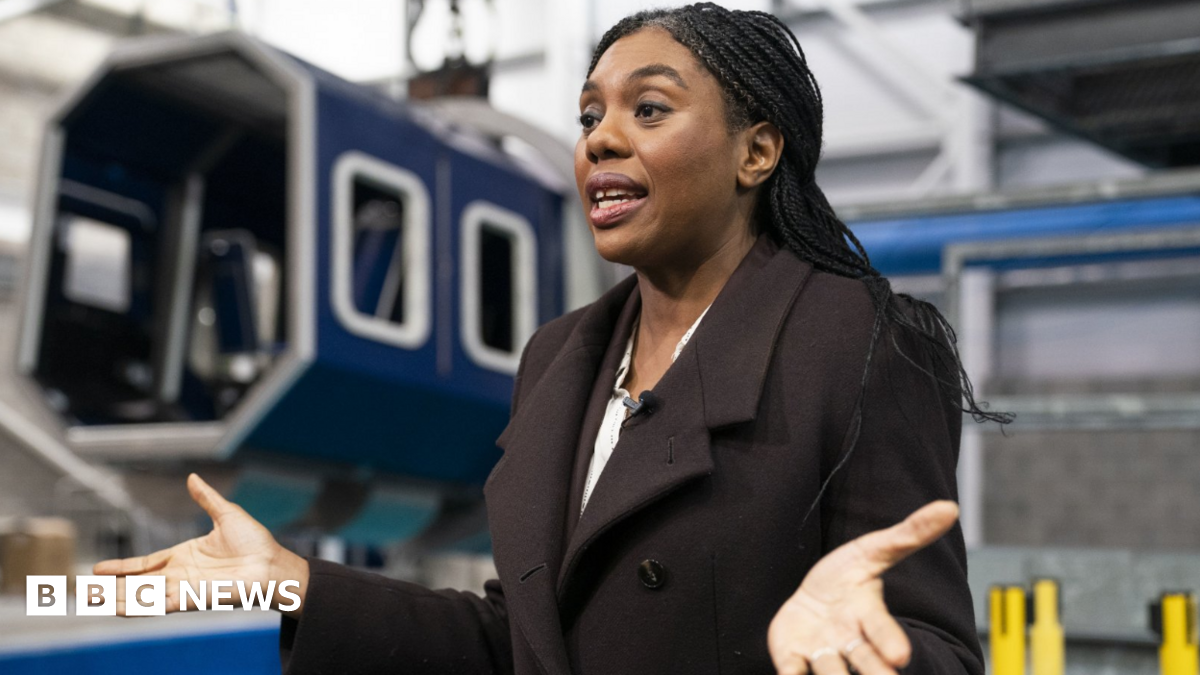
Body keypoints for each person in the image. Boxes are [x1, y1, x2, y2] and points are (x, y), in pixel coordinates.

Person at [96, 4, 1009, 674]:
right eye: (588, 117)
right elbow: (520, 642)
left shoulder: (860, 341)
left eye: (649, 110)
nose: (602, 139)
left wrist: (860, 661)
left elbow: (934, 649)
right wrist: (296, 582)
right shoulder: (561, 358)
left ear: (756, 152)